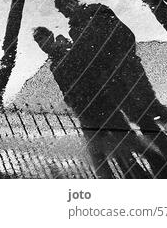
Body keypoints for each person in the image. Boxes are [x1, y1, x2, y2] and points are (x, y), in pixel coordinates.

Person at [51, 0, 167, 176]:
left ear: (75, 0)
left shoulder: (96, 9)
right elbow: (89, 58)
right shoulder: (74, 31)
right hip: (109, 78)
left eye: (69, 2)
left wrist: (125, 56)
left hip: (126, 65)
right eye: (64, 7)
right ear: (63, 13)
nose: (68, 7)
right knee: (140, 118)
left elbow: (124, 33)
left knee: (151, 106)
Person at [32, 27, 151, 178]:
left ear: (51, 36)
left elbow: (90, 69)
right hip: (85, 110)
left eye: (42, 38)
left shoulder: (68, 50)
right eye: (38, 42)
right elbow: (66, 88)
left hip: (100, 102)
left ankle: (160, 166)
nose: (41, 44)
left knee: (126, 143)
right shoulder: (54, 64)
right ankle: (136, 174)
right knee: (108, 149)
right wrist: (71, 102)